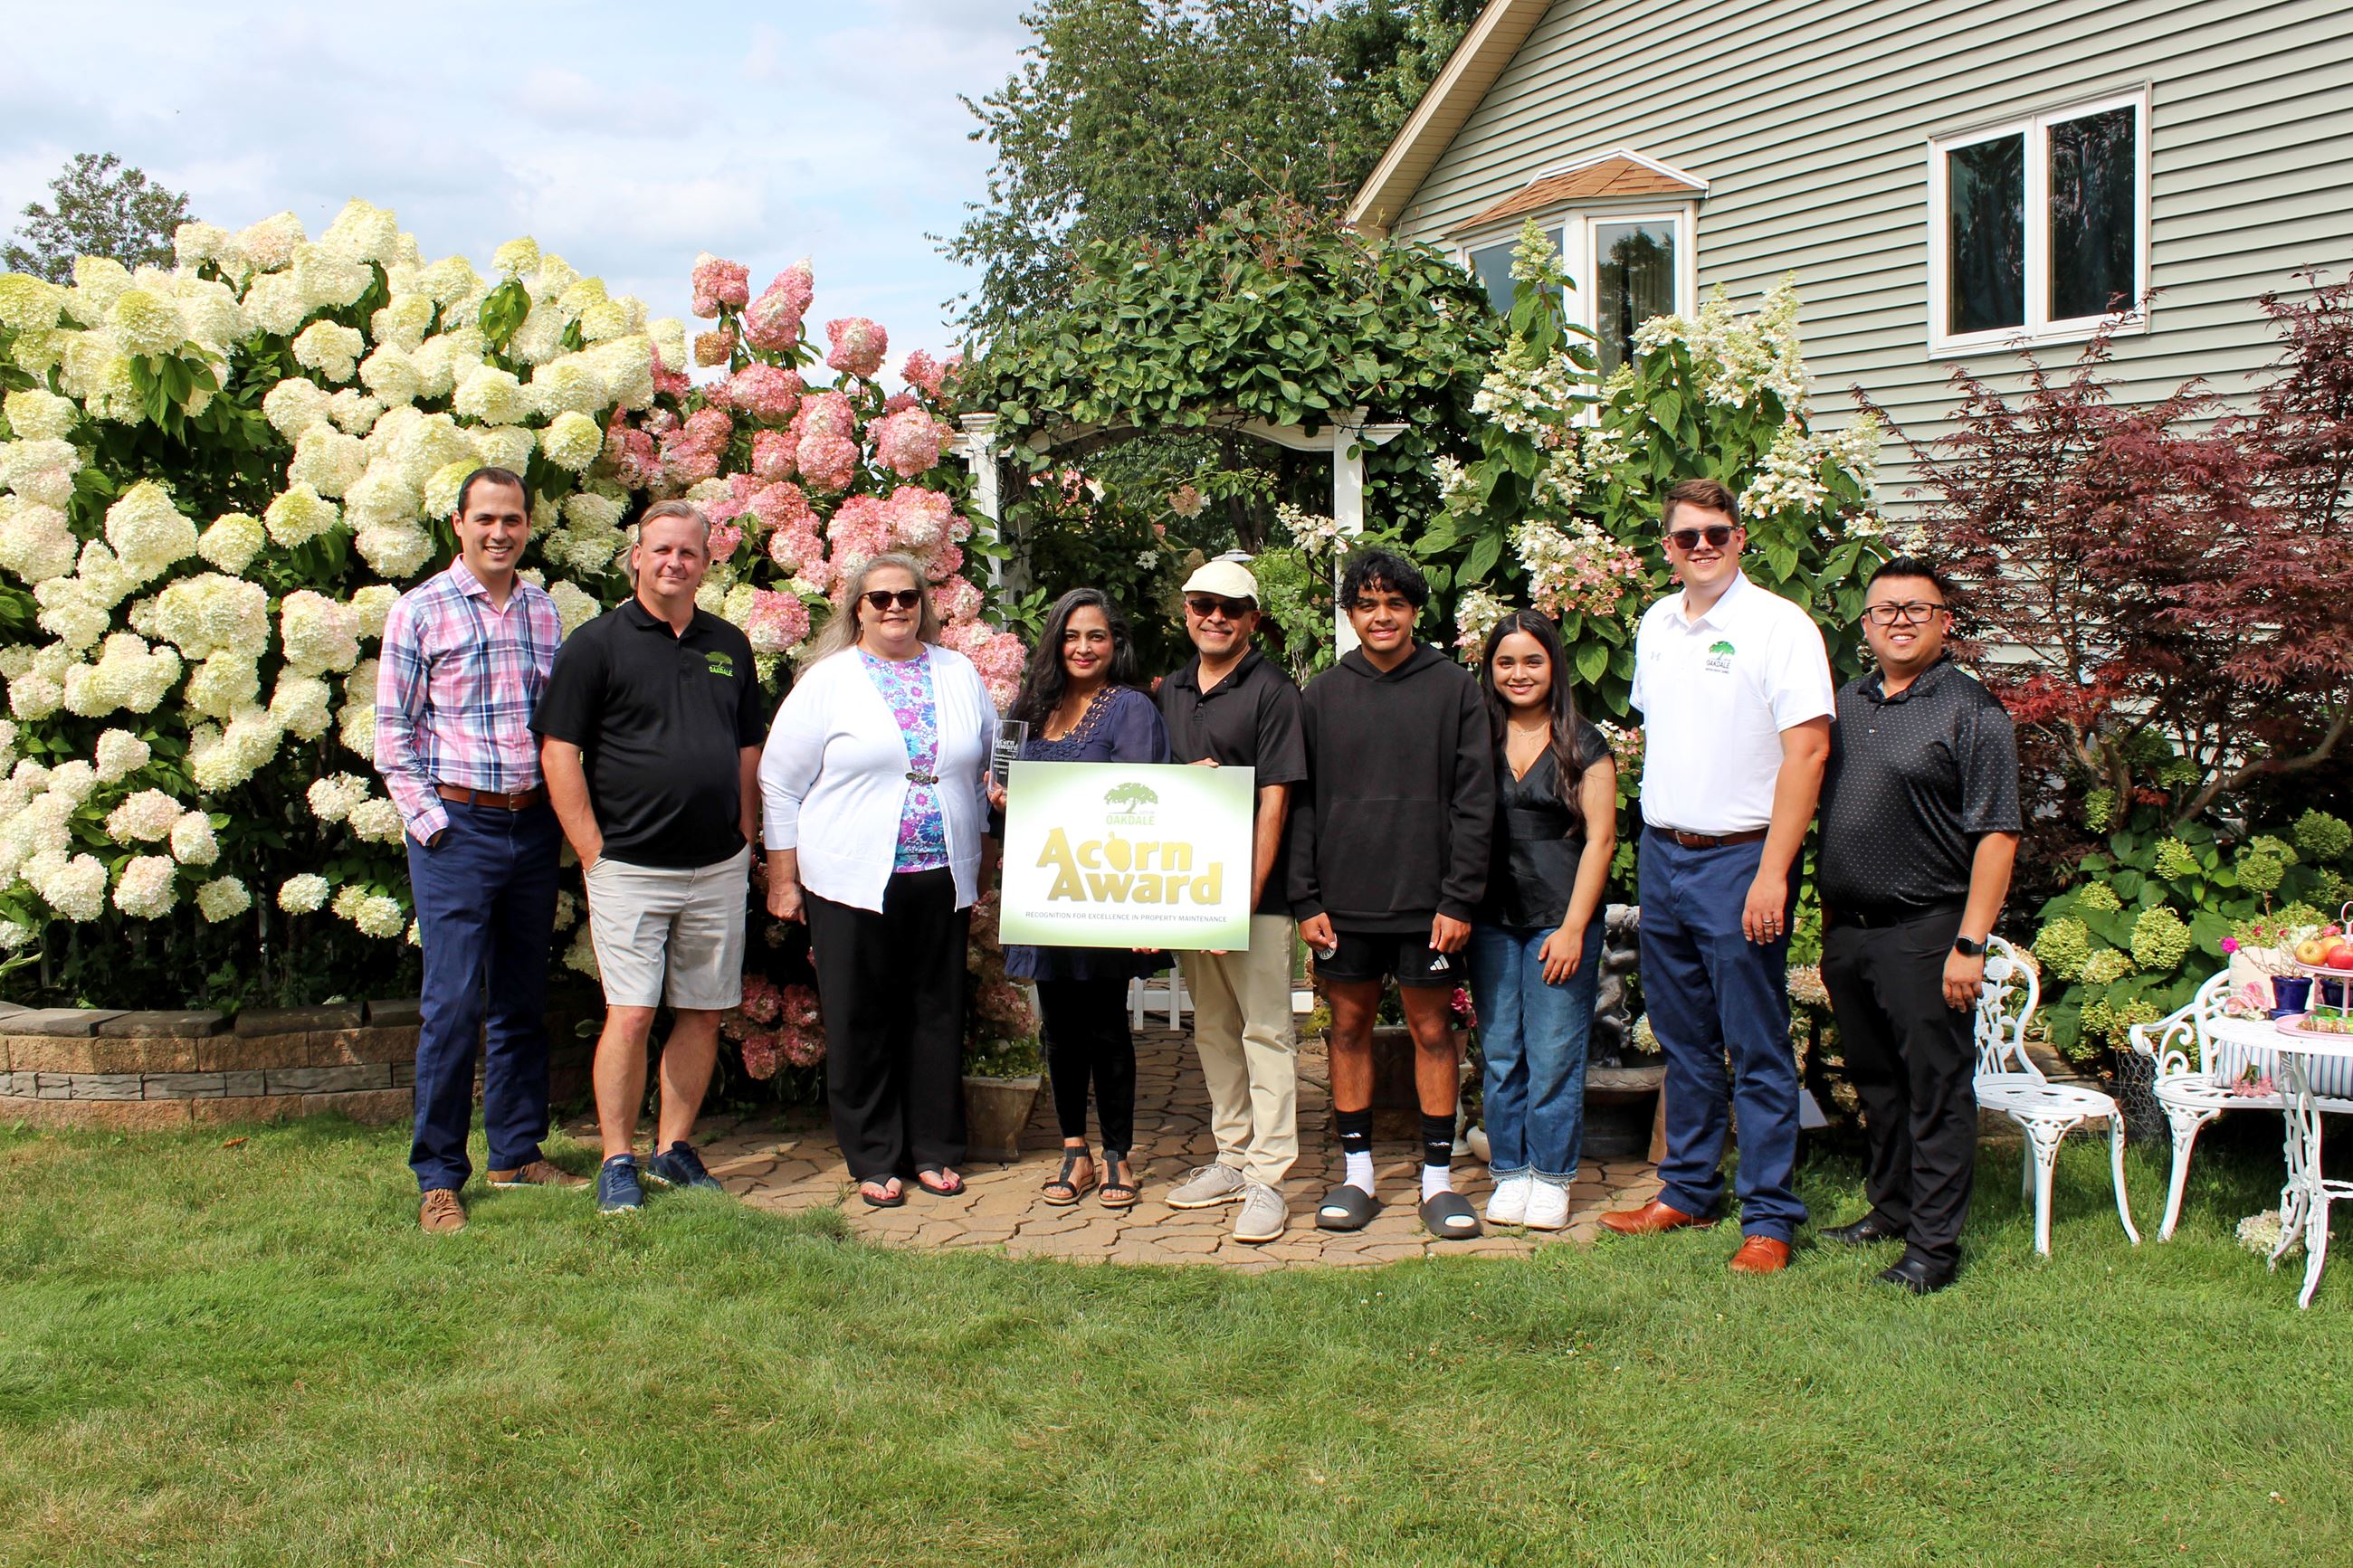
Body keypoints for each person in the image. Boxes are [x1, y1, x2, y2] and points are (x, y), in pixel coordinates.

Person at [1599, 477, 1834, 1273]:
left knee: (1756, 1043)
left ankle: (1769, 1217)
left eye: (1717, 533)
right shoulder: (1656, 624)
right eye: (1686, 536)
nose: (1703, 547)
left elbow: (1808, 753)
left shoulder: (1780, 627)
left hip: (1742, 858)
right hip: (1665, 854)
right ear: (1666, 549)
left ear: (1741, 538)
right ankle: (1689, 1191)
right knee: (1685, 1038)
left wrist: (1773, 873)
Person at [536, 501, 768, 1217]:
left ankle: (672, 1148)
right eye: (660, 550)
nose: (674, 562)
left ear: (706, 562)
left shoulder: (728, 642)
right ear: (636, 556)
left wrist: (746, 836)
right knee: (631, 1014)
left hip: (716, 866)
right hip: (629, 866)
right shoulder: (595, 644)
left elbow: (746, 749)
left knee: (701, 1012)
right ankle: (616, 1159)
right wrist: (591, 851)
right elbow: (559, 751)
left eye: (688, 553)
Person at [376, 465, 583, 1233]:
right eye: (486, 518)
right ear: (457, 523)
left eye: (514, 519)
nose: (501, 532)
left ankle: (516, 1151)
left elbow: (556, 724)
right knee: (453, 1004)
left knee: (521, 1000)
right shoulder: (420, 611)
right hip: (455, 829)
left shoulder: (541, 610)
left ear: (528, 526)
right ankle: (438, 1175)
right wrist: (431, 824)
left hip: (529, 827)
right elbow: (393, 737)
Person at [758, 553, 996, 1209]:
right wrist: (785, 879)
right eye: (880, 598)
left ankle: (936, 1149)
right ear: (857, 609)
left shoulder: (959, 672)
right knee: (860, 1016)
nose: (896, 607)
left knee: (936, 1013)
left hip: (939, 873)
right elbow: (778, 782)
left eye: (908, 596)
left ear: (925, 604)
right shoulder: (829, 680)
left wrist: (987, 847)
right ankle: (872, 1153)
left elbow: (987, 765)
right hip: (849, 877)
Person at [1816, 556, 2020, 1295]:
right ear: (1866, 624)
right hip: (1851, 933)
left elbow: (1997, 834)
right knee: (1877, 1084)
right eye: (1885, 609)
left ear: (1945, 622)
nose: (1899, 620)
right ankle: (1891, 1208)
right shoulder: (1846, 700)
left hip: (1927, 929)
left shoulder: (1973, 711)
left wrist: (1971, 942)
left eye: (1917, 608)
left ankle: (1933, 1248)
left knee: (1935, 1088)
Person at [1292, 546, 1495, 1241]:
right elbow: (1302, 803)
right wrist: (1306, 898)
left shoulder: (1455, 689)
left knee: (1434, 1033)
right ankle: (1359, 1175)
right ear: (1350, 614)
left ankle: (1437, 1183)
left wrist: (1460, 897)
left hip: (1429, 906)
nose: (1382, 616)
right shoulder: (1319, 695)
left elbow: (1476, 801)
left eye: (1396, 603)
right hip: (1343, 906)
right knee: (1346, 1031)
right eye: (1368, 604)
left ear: (1414, 610)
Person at [992, 587, 1171, 1212]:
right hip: (1043, 889)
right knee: (1060, 1029)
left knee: (1104, 1026)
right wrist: (1002, 798)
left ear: (1114, 642)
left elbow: (1139, 799)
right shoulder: (1031, 707)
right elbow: (1006, 789)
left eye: (1096, 635)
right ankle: (1076, 1150)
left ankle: (1118, 1152)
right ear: (1055, 641)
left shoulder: (1131, 710)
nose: (1083, 647)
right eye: (1072, 635)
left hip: (1102, 893)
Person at [1157, 559, 1309, 1244]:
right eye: (1201, 605)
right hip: (1191, 893)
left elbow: (1275, 802)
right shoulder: (1174, 687)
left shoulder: (1274, 689)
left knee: (1267, 1033)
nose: (1213, 617)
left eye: (1229, 607)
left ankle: (1269, 1180)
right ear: (1185, 611)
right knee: (1214, 1031)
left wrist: (1241, 903)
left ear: (1252, 618)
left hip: (1256, 898)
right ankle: (1232, 1156)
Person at [1467, 611, 1618, 1231]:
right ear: (1490, 669)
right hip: (1491, 923)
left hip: (1559, 923)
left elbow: (1602, 840)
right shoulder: (1474, 737)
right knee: (1501, 1054)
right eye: (1506, 661)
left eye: (1532, 660)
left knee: (1555, 1056)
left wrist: (1575, 927)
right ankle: (1509, 1172)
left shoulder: (1583, 742)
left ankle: (1552, 1176)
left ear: (1553, 665)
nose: (1519, 673)